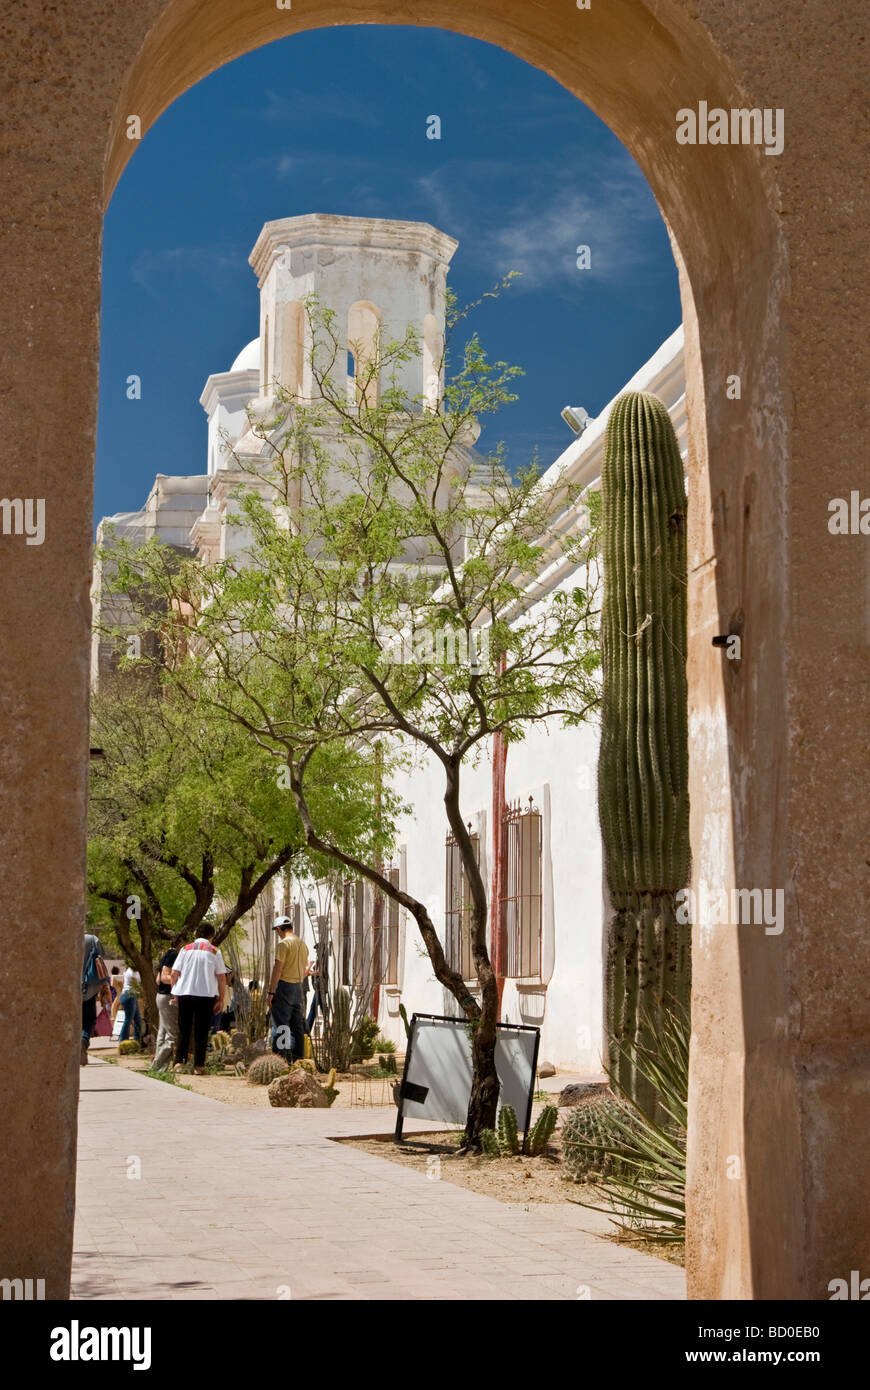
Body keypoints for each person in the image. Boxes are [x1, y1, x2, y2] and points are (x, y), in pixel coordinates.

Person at [170, 923, 227, 1075]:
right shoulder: (214, 951)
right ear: (211, 936)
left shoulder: (185, 949)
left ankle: (178, 1063)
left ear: (196, 934)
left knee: (184, 1029)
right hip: (206, 995)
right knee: (201, 1031)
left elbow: (174, 973)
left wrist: (174, 992)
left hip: (185, 993)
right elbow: (221, 978)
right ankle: (199, 1066)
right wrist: (221, 999)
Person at [267, 916, 309, 1063]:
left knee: (281, 1024)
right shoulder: (303, 945)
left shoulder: (283, 945)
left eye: (277, 931)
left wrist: (271, 991)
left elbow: (277, 969)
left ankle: (280, 1059)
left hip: (284, 985)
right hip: (298, 987)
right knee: (297, 1025)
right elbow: (304, 971)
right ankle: (298, 1060)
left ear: (279, 929)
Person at [81, 930, 110, 1065]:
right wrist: (104, 986)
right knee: (89, 1019)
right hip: (90, 988)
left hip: (69, 989)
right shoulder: (93, 940)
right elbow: (100, 961)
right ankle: (84, 1039)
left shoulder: (66, 936)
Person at [153, 941, 181, 1070]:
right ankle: (157, 1065)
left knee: (162, 1033)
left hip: (160, 996)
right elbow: (164, 977)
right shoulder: (173, 954)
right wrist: (182, 982)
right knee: (172, 1035)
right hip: (168, 997)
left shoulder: (165, 955)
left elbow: (157, 980)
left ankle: (160, 1068)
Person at [305, 941, 328, 1035]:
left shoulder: (322, 960)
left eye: (317, 949)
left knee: (313, 1009)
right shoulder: (320, 959)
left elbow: (320, 971)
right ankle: (308, 1030)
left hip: (320, 988)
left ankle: (306, 1030)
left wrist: (311, 972)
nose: (316, 951)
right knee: (320, 1010)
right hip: (318, 988)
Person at [117, 964, 143, 1043]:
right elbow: (134, 982)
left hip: (130, 995)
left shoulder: (130, 971)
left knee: (137, 1019)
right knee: (128, 1020)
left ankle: (137, 1040)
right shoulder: (132, 971)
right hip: (129, 995)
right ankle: (123, 1041)